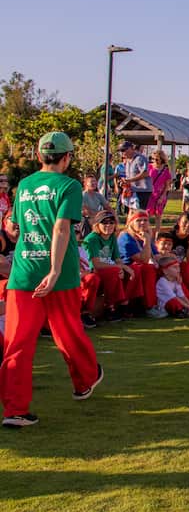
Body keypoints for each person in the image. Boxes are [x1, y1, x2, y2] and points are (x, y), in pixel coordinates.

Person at [1, 132, 104, 429]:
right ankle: (85, 380)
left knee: (17, 343)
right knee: (67, 332)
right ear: (67, 158)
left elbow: (14, 227)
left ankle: (15, 410)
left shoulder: (24, 185)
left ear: (38, 155)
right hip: (60, 275)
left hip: (24, 273)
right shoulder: (69, 186)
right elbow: (61, 229)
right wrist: (55, 270)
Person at [82, 210, 131, 320]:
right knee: (114, 272)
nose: (108, 225)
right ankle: (112, 306)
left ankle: (130, 305)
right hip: (93, 271)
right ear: (97, 225)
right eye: (104, 222)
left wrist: (122, 267)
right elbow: (96, 265)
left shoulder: (112, 237)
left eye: (111, 222)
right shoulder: (92, 239)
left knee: (131, 271)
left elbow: (117, 259)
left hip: (108, 269)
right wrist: (118, 267)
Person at [118, 210, 161, 317]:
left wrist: (171, 259)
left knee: (171, 266)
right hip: (127, 271)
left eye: (145, 220)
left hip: (140, 270)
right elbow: (143, 260)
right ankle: (149, 306)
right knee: (148, 268)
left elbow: (158, 257)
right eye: (139, 220)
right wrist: (147, 241)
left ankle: (177, 301)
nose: (143, 223)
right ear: (131, 223)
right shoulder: (126, 237)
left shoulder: (144, 235)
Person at [119, 141, 153, 216]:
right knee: (131, 212)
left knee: (139, 213)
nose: (122, 152)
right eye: (121, 151)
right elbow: (129, 176)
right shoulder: (127, 161)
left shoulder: (140, 158)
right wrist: (124, 182)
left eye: (124, 150)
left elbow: (145, 173)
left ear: (131, 148)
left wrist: (130, 180)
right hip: (132, 190)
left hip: (142, 191)